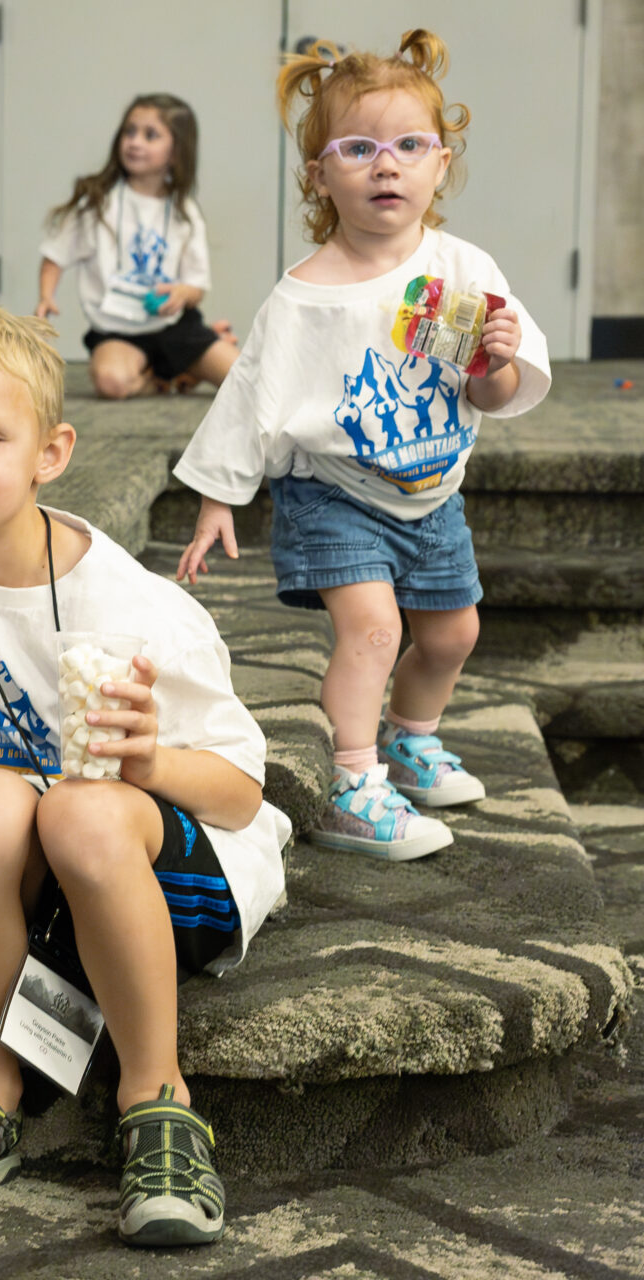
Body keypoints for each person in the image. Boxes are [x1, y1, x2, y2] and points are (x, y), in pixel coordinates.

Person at [0, 302, 289, 1246]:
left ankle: (157, 1098)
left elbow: (243, 793)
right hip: (25, 896)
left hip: (175, 886)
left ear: (50, 453)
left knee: (86, 810)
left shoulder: (134, 605)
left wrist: (149, 762)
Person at [174, 30, 550, 861]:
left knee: (453, 635)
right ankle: (353, 782)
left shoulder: (459, 270)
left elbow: (491, 393)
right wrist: (217, 498)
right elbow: (250, 401)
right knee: (376, 629)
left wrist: (497, 358)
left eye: (410, 145)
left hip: (431, 492)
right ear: (319, 175)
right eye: (359, 148)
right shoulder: (303, 298)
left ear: (440, 164)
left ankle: (412, 737)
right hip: (335, 494)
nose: (388, 165)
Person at [36, 93, 238, 399]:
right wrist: (46, 296)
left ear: (176, 152)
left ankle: (196, 353)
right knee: (112, 383)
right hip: (117, 332)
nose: (135, 142)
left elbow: (197, 288)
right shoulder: (96, 202)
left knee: (243, 379)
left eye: (150, 135)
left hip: (175, 328)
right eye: (129, 132)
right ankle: (169, 374)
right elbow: (55, 255)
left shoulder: (185, 211)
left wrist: (182, 293)